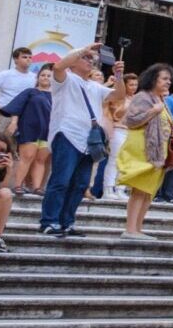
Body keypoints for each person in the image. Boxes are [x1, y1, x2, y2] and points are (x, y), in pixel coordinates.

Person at [39, 45, 125, 237]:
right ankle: (49, 221)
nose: (90, 61)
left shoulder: (95, 87)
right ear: (75, 61)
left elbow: (119, 95)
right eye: (85, 58)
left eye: (92, 59)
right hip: (67, 135)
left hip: (89, 141)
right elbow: (59, 66)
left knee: (80, 184)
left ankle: (67, 222)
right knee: (60, 180)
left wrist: (119, 76)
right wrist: (86, 48)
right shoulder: (65, 79)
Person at [116, 64, 173, 240]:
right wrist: (152, 111)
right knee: (139, 189)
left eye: (169, 79)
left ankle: (138, 228)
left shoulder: (160, 99)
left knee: (148, 191)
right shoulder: (143, 97)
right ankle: (130, 229)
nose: (168, 82)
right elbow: (131, 121)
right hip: (143, 148)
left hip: (158, 150)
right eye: (164, 78)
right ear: (153, 79)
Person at [0, 64, 52, 197]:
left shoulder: (58, 95)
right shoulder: (30, 92)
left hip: (48, 131)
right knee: (27, 157)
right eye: (43, 75)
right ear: (38, 77)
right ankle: (18, 184)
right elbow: (16, 107)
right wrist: (14, 122)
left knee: (41, 159)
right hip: (30, 128)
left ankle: (37, 187)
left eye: (48, 75)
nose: (45, 78)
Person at [0, 47, 35, 136]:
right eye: (24, 57)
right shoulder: (6, 74)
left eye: (30, 57)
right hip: (6, 116)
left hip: (26, 117)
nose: (28, 59)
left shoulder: (34, 77)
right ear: (16, 60)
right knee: (2, 143)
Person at [100, 73, 136, 197]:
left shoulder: (136, 98)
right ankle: (108, 188)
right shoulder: (118, 98)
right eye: (131, 84)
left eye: (136, 84)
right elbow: (114, 113)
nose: (134, 87)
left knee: (126, 161)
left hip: (131, 132)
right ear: (124, 85)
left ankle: (120, 188)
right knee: (114, 159)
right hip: (118, 129)